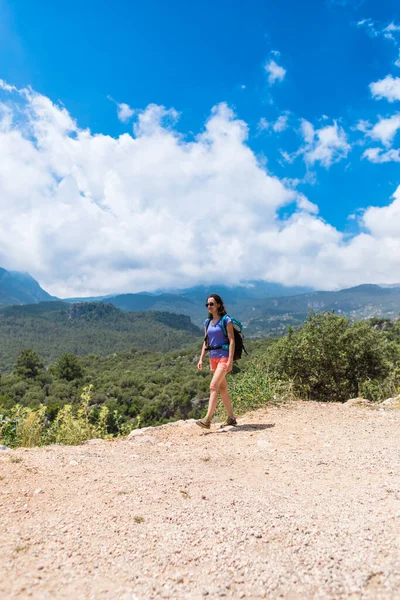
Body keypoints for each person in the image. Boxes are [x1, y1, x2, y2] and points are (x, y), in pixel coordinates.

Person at [196, 294, 237, 429]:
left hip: (224, 356)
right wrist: (201, 358)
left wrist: (230, 360)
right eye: (207, 304)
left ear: (218, 305)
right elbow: (206, 342)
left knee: (213, 386)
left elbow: (232, 341)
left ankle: (207, 420)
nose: (209, 306)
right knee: (222, 388)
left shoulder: (226, 320)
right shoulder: (207, 323)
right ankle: (231, 418)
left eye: (212, 304)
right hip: (213, 357)